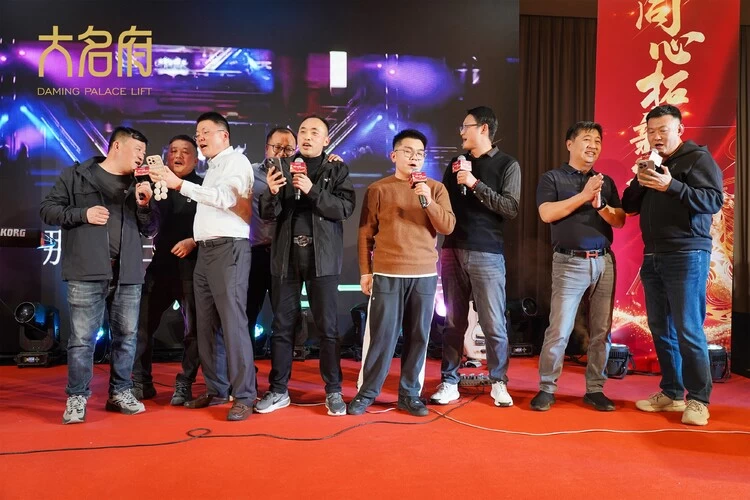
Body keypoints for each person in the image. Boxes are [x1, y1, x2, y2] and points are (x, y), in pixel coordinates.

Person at [40, 126, 158, 424]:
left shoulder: (140, 183)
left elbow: (151, 229)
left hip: (128, 272)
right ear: (116, 146)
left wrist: (145, 205)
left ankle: (120, 392)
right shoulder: (77, 175)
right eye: (137, 150)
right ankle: (77, 397)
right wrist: (83, 214)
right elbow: (48, 210)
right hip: (86, 270)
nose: (141, 156)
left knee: (127, 337)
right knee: (82, 339)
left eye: (144, 152)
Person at [622, 104, 723, 426]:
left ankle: (698, 400)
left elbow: (713, 200)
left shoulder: (698, 159)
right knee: (660, 327)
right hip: (653, 255)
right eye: (651, 131)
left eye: (662, 130)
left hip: (687, 254)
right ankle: (671, 392)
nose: (656, 136)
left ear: (679, 130)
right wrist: (641, 179)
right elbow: (628, 206)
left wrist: (672, 186)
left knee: (688, 328)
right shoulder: (653, 163)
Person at [154, 112, 256, 421]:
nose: (199, 137)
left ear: (224, 136)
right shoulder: (211, 168)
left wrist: (180, 185)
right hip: (205, 252)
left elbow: (226, 198)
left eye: (205, 132)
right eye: (198, 132)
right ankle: (216, 388)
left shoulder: (236, 162)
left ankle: (244, 395)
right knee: (205, 326)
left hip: (229, 249)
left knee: (233, 324)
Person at [348, 129, 455, 416]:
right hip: (388, 273)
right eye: (408, 151)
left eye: (419, 153)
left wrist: (427, 200)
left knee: (418, 337)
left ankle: (409, 394)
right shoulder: (378, 189)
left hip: (423, 275)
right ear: (394, 155)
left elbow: (447, 226)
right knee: (381, 337)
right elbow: (365, 234)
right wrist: (365, 272)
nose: (414, 157)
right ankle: (367, 392)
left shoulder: (435, 189)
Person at [257, 115, 356, 416]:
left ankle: (333, 390)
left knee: (328, 328)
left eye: (315, 132)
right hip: (285, 258)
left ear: (326, 140)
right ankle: (278, 390)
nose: (308, 136)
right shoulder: (281, 166)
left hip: (322, 259)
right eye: (303, 131)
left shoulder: (336, 169)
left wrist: (312, 189)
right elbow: (268, 213)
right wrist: (272, 193)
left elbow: (344, 208)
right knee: (282, 327)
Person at [430, 106, 521, 407]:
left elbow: (510, 208)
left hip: (487, 251)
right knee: (453, 321)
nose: (461, 132)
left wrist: (474, 184)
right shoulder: (456, 163)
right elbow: (443, 203)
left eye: (465, 126)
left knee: (493, 323)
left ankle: (498, 382)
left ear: (483, 128)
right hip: (452, 248)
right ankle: (449, 381)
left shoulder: (508, 165)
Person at [531, 121, 625, 412]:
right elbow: (547, 214)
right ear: (569, 144)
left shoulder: (605, 182)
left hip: (604, 261)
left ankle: (595, 389)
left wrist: (600, 206)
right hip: (569, 261)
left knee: (601, 331)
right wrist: (584, 196)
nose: (593, 145)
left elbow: (620, 220)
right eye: (587, 139)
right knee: (559, 329)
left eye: (597, 141)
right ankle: (547, 388)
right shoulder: (553, 178)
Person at [132, 135, 204, 406]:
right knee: (141, 326)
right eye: (173, 151)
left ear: (196, 159)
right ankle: (141, 382)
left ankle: (185, 383)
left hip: (192, 268)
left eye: (185, 151)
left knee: (194, 332)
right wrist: (144, 204)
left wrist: (193, 241)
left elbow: (217, 224)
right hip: (160, 266)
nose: (178, 156)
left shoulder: (202, 187)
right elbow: (148, 228)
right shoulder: (152, 186)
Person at [246, 128, 297, 355]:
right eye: (277, 147)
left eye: (288, 149)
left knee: (285, 316)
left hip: (286, 254)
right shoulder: (249, 173)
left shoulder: (301, 175)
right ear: (267, 148)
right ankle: (246, 370)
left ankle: (281, 370)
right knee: (247, 313)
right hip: (254, 252)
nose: (282, 153)